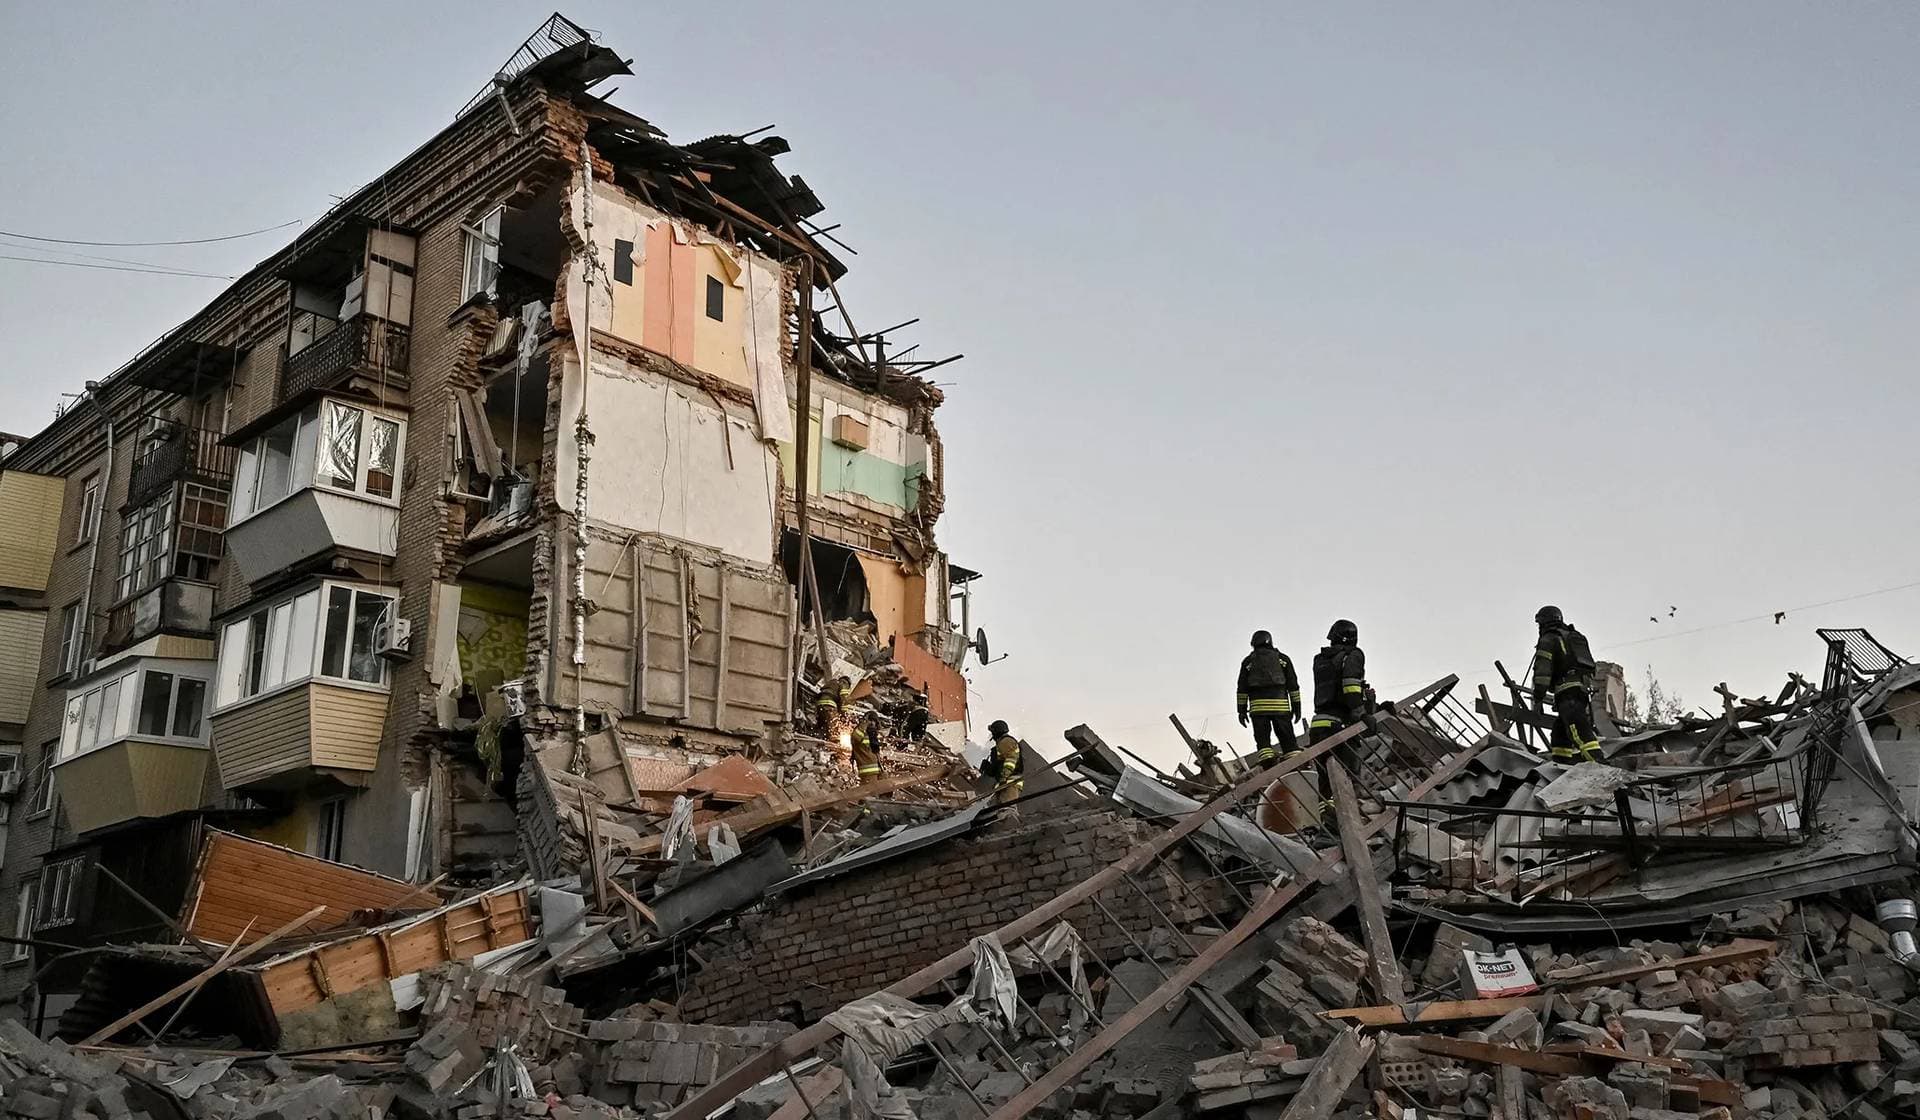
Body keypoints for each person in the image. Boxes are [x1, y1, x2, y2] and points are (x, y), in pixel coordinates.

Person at [1309, 619, 1371, 814]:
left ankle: (1328, 829)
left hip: (1318, 726)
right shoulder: (1353, 655)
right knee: (1347, 779)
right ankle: (1347, 824)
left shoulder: (1321, 659)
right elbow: (1350, 687)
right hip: (1339, 729)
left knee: (1326, 784)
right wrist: (1363, 714)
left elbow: (1334, 688)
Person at [1532, 605, 1603, 763]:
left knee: (1577, 730)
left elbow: (1542, 673)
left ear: (1544, 623)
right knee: (1559, 732)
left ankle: (1602, 768)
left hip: (1567, 692)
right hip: (1582, 690)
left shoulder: (1549, 639)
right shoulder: (1575, 637)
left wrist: (1538, 697)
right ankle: (1561, 767)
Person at [1236, 631, 1302, 766]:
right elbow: (1293, 686)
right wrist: (1297, 707)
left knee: (1263, 740)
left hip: (1258, 710)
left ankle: (1268, 764)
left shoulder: (1248, 662)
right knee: (1287, 738)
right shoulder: (1283, 659)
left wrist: (1241, 711)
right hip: (1281, 708)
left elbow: (1242, 689)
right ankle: (1295, 763)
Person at [986, 719, 1024, 805]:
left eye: (992, 732)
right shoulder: (1001, 743)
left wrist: (1004, 776)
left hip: (1010, 783)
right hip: (1005, 783)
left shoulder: (1006, 741)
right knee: (1000, 811)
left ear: (996, 732)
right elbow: (1000, 763)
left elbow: (1011, 760)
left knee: (1007, 809)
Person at [849, 709, 884, 781]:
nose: (871, 723)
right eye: (870, 720)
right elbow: (855, 737)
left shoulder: (873, 735)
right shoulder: (860, 732)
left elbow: (875, 752)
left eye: (873, 721)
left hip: (877, 771)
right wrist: (864, 723)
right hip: (867, 773)